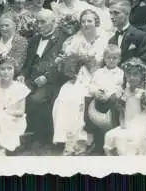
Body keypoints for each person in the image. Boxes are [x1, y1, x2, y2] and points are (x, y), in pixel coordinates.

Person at [52, 9, 109, 155]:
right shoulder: (75, 40)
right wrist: (71, 66)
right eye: (83, 21)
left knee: (79, 99)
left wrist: (90, 62)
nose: (86, 24)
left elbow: (106, 63)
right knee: (64, 96)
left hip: (98, 77)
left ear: (96, 22)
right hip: (79, 78)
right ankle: (69, 139)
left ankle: (84, 140)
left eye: (89, 21)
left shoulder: (104, 39)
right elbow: (69, 64)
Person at [22, 9, 67, 147]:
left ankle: (41, 137)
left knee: (35, 99)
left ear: (54, 22)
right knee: (16, 95)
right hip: (31, 78)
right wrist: (21, 76)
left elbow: (63, 64)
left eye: (43, 22)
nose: (39, 25)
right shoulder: (34, 39)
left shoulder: (63, 38)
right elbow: (27, 62)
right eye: (37, 22)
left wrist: (47, 77)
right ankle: (20, 136)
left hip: (51, 81)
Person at [103, 58, 146, 156]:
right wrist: (122, 124)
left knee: (132, 141)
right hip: (128, 124)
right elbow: (122, 110)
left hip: (142, 126)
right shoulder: (124, 91)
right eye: (128, 74)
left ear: (142, 76)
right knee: (110, 135)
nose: (131, 77)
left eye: (135, 74)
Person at [0, 57, 31, 156]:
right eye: (2, 69)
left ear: (14, 70)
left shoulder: (20, 88)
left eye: (9, 69)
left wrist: (4, 112)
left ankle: (1, 148)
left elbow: (20, 112)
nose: (6, 72)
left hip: (15, 119)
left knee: (1, 117)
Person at [85, 44, 125, 153]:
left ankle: (111, 141)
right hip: (98, 99)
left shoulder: (121, 73)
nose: (111, 60)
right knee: (87, 98)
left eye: (114, 58)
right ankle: (92, 136)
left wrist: (109, 94)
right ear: (104, 58)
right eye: (108, 57)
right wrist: (96, 92)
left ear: (119, 59)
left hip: (111, 101)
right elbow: (91, 85)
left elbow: (120, 88)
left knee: (114, 100)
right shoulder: (98, 72)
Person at [108, 0, 146, 64]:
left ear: (127, 14)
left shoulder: (141, 36)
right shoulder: (111, 40)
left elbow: (145, 61)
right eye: (110, 13)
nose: (111, 17)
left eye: (116, 13)